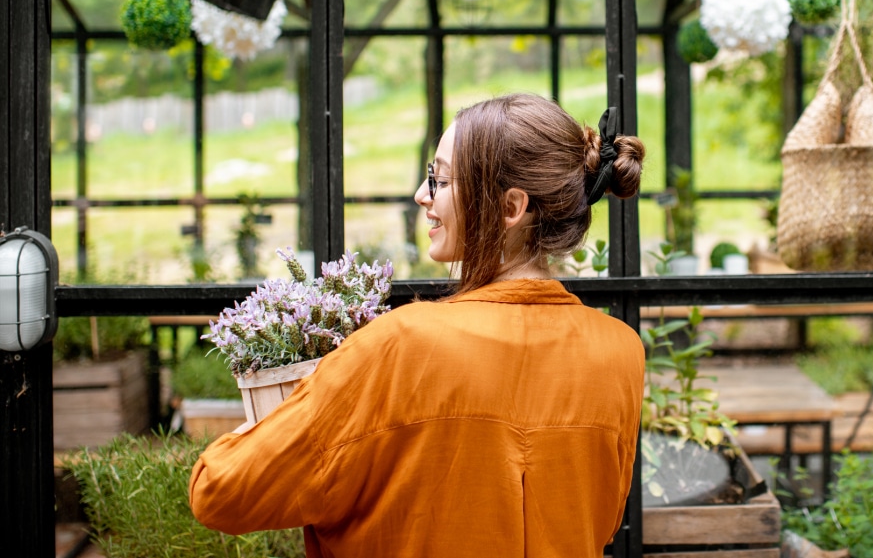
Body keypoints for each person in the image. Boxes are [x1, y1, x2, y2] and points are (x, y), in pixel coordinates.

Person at [189, 92, 647, 558]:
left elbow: (221, 491)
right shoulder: (621, 351)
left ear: (511, 207)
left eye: (442, 179)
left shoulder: (400, 344)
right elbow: (602, 522)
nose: (422, 195)